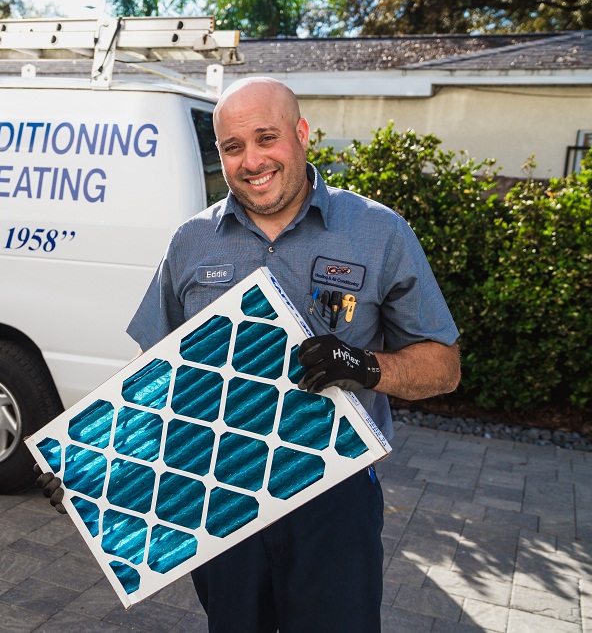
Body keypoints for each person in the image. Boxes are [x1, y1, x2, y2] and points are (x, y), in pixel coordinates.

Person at [39, 76, 461, 632]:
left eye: (267, 138)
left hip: (332, 498)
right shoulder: (192, 241)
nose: (252, 161)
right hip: (219, 496)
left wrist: (364, 366)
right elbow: (154, 375)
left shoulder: (378, 232)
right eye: (233, 147)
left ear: (302, 134)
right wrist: (95, 464)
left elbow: (444, 368)